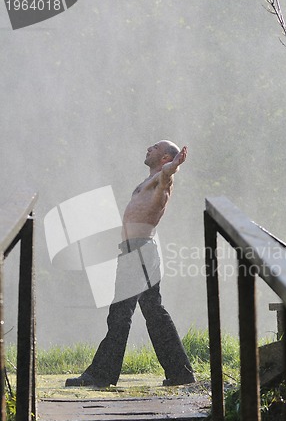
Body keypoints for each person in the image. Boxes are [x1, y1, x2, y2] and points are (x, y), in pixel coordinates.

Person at [65, 140, 196, 388]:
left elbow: (168, 174)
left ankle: (101, 375)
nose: (149, 147)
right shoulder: (149, 180)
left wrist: (175, 166)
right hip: (137, 252)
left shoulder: (163, 179)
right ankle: (180, 373)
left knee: (121, 313)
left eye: (156, 147)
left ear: (166, 158)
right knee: (152, 311)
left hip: (140, 252)